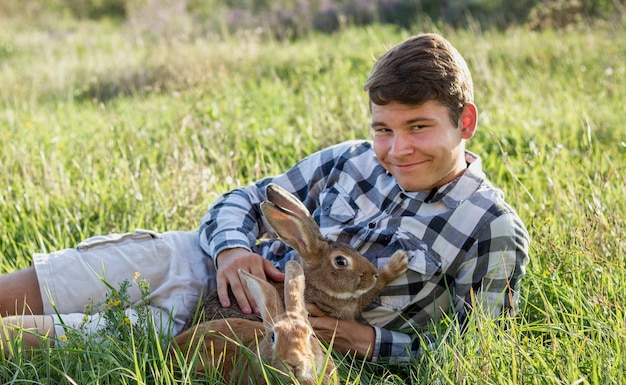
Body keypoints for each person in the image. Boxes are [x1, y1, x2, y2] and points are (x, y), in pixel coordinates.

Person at [0, 33, 529, 363]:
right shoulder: (351, 158)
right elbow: (244, 200)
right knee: (19, 294)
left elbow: (477, 356)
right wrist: (231, 249)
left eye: (419, 127)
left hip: (247, 336)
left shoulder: (490, 227)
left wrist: (365, 342)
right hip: (200, 266)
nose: (397, 149)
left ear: (466, 122)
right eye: (384, 129)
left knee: (28, 341)